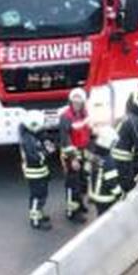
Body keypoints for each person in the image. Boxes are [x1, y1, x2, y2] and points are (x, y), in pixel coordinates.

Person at [59, 87, 93, 223]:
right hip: (72, 155)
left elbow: (88, 133)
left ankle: (79, 204)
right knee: (73, 183)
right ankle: (71, 211)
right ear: (70, 102)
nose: (77, 104)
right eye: (74, 102)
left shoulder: (84, 114)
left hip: (83, 152)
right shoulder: (66, 117)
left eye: (79, 102)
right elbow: (65, 139)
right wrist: (73, 158)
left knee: (83, 181)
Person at [19, 113, 54, 229]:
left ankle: (39, 213)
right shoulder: (29, 140)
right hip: (34, 173)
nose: (43, 127)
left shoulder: (32, 136)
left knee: (42, 194)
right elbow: (34, 157)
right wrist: (47, 152)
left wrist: (47, 143)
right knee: (37, 196)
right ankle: (35, 220)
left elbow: (44, 140)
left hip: (40, 171)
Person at [110, 106, 138, 195]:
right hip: (123, 158)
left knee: (117, 179)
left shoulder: (124, 117)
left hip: (112, 154)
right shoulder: (135, 121)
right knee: (127, 183)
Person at [86, 129, 123, 218]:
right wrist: (120, 194)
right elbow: (112, 183)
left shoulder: (94, 154)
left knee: (100, 213)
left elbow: (87, 170)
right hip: (105, 197)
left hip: (94, 192)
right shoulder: (109, 161)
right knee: (105, 218)